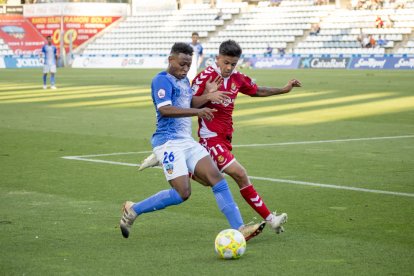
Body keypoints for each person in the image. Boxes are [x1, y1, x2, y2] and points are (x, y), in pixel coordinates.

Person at [139, 40, 300, 234]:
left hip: (225, 137)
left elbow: (256, 90)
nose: (229, 68)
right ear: (217, 58)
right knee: (239, 174)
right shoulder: (204, 77)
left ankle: (166, 161)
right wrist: (208, 96)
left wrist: (283, 89)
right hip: (210, 137)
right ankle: (267, 220)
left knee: (209, 181)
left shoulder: (237, 77)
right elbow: (188, 103)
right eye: (226, 63)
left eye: (233, 64)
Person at [120, 42, 265, 241]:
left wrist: (207, 95)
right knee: (182, 192)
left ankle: (239, 228)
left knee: (216, 177)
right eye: (182, 64)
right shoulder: (161, 80)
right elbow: (166, 109)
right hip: (167, 142)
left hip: (187, 142)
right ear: (171, 59)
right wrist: (198, 111)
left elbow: (190, 103)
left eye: (188, 65)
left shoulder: (184, 81)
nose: (185, 69)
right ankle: (133, 209)